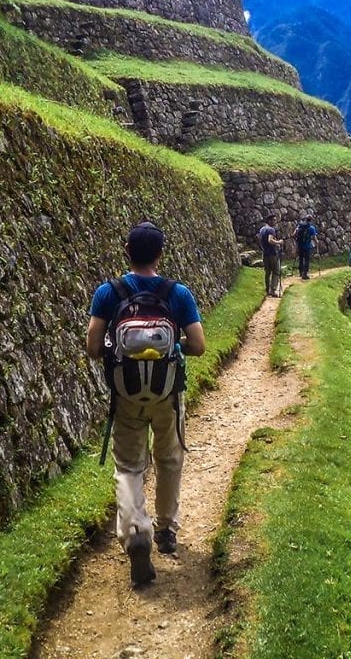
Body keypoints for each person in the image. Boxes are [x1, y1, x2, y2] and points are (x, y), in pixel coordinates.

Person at [86, 222, 206, 586]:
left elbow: (93, 347)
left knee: (128, 466)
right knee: (169, 457)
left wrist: (118, 350)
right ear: (160, 254)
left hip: (126, 395)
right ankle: (167, 529)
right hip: (167, 393)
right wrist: (171, 349)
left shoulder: (109, 292)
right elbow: (198, 345)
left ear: (126, 251)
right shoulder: (177, 294)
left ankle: (137, 528)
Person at [258, 213, 284, 296]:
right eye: (274, 220)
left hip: (265, 253)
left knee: (267, 272)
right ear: (269, 220)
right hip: (272, 254)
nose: (275, 221)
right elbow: (270, 240)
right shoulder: (271, 230)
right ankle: (273, 290)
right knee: (276, 271)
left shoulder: (262, 229)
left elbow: (260, 239)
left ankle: (267, 289)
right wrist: (278, 242)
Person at [291, 213, 318, 279]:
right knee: (306, 259)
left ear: (305, 219)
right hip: (307, 246)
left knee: (300, 259)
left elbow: (293, 234)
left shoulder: (299, 226)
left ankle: (300, 272)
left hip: (300, 245)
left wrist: (297, 240)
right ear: (311, 220)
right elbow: (314, 238)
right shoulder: (311, 228)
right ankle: (305, 274)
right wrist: (317, 242)